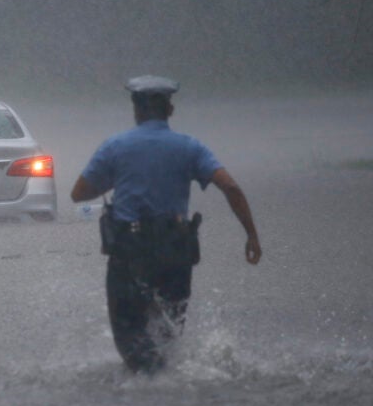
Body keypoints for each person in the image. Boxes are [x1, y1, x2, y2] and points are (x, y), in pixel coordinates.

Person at [70, 74, 261, 373]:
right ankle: (168, 390)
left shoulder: (114, 147)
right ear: (169, 110)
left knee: (131, 343)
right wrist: (252, 236)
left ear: (136, 110)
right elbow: (232, 188)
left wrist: (114, 179)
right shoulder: (190, 147)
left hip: (129, 254)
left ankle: (142, 393)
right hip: (175, 253)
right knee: (168, 338)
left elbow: (78, 193)